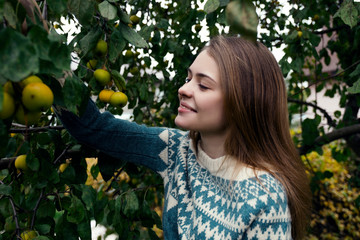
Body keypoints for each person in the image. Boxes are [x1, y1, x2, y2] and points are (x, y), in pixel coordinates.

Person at [55, 35, 312, 239]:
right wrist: (45, 54)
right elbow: (93, 127)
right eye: (188, 78)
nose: (183, 89)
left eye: (203, 85)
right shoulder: (177, 151)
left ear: (243, 101)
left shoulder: (265, 199)